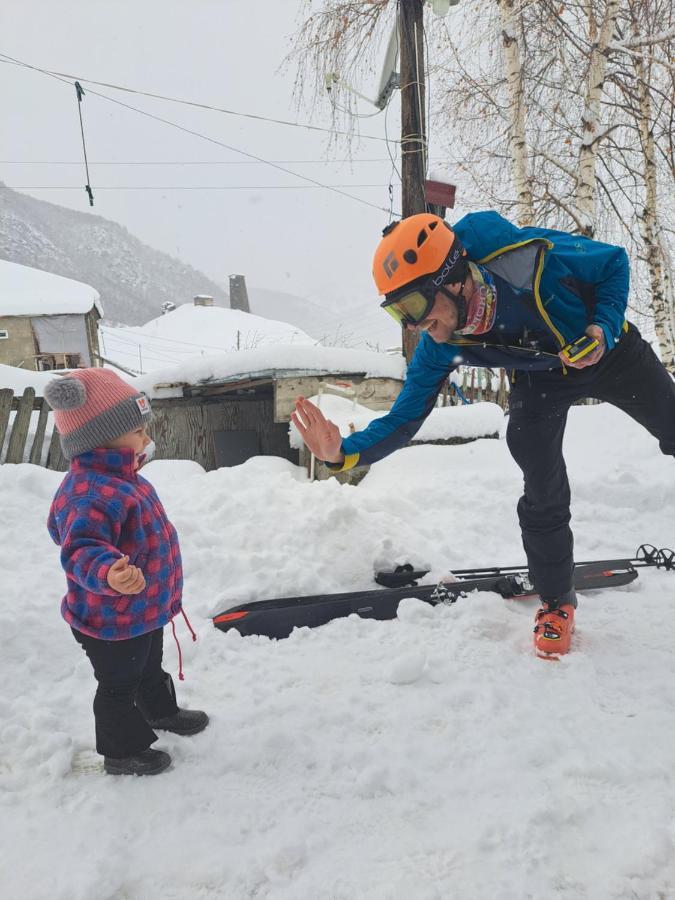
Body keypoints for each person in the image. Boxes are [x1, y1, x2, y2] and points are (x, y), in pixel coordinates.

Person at [292, 211, 675, 659]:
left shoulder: (521, 256)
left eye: (414, 306)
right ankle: (556, 603)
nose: (414, 325)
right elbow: (404, 417)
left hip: (609, 351)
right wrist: (342, 452)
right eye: (398, 313)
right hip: (543, 376)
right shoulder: (441, 344)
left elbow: (612, 262)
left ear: (453, 278)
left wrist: (602, 328)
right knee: (539, 476)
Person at [46, 368, 208, 775]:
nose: (146, 438)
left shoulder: (125, 479)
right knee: (119, 685)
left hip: (139, 611)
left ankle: (160, 712)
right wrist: (108, 574)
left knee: (150, 666)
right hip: (109, 620)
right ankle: (122, 752)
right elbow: (80, 548)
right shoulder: (89, 491)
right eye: (138, 429)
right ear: (102, 436)